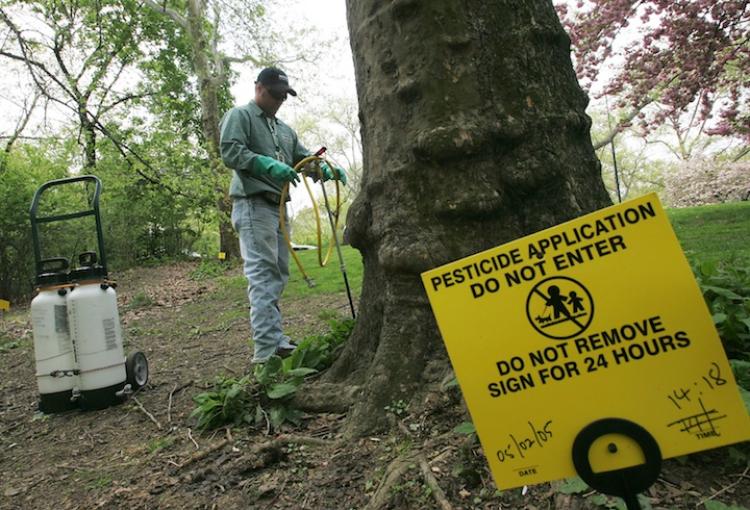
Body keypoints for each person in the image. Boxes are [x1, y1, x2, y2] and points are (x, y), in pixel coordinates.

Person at [219, 67, 346, 364]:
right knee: (262, 274)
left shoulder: (285, 131)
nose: (279, 101)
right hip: (253, 205)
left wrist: (324, 170)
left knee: (277, 273)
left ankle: (275, 339)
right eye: (275, 95)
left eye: (284, 96)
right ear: (259, 88)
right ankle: (265, 353)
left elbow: (304, 160)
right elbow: (230, 152)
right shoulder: (241, 116)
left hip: (278, 207)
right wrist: (267, 165)